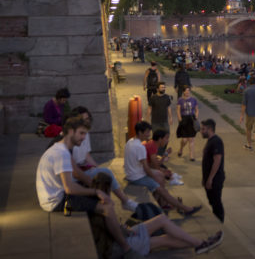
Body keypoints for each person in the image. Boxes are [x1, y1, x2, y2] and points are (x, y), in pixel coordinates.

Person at [36, 117, 132, 253]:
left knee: (102, 184)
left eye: (85, 134)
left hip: (56, 194)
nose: (84, 137)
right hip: (56, 201)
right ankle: (127, 248)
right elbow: (70, 188)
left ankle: (116, 231)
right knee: (107, 207)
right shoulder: (61, 153)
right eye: (81, 133)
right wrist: (96, 192)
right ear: (70, 131)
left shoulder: (61, 148)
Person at [90, 173, 224, 256]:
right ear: (108, 188)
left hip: (119, 238)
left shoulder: (94, 203)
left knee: (161, 219)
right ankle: (202, 244)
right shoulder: (107, 207)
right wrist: (127, 242)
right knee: (165, 238)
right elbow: (114, 232)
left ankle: (201, 244)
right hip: (118, 246)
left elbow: (112, 229)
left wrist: (127, 229)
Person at [69, 106, 138, 211]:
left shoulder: (85, 134)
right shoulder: (71, 137)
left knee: (104, 174)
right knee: (105, 173)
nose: (86, 122)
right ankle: (124, 201)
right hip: (74, 173)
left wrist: (96, 167)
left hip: (84, 167)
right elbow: (73, 169)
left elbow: (87, 155)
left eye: (87, 119)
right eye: (83, 119)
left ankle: (109, 207)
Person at [125, 121, 201, 215]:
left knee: (160, 177)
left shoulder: (130, 141)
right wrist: (155, 176)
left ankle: (163, 204)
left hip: (131, 174)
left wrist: (159, 173)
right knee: (160, 184)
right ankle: (185, 209)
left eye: (149, 131)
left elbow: (148, 165)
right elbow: (147, 167)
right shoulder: (140, 147)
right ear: (140, 132)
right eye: (147, 132)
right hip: (137, 177)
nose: (149, 134)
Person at [201, 119, 225, 223]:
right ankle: (216, 221)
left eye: (203, 129)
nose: (201, 131)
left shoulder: (216, 141)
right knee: (212, 201)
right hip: (209, 178)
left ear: (210, 129)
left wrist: (210, 179)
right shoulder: (211, 141)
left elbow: (217, 160)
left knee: (216, 203)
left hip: (215, 179)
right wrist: (205, 178)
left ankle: (219, 223)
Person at [240, 77, 255, 153]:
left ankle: (249, 145)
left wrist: (242, 115)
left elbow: (244, 104)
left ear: (249, 82)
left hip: (249, 113)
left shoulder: (246, 91)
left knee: (248, 129)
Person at [176, 86, 199, 161]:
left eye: (188, 90)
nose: (187, 92)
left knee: (191, 139)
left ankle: (191, 155)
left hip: (191, 119)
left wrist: (196, 117)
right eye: (186, 91)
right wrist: (180, 119)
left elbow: (196, 110)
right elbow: (178, 110)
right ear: (183, 92)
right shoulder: (180, 100)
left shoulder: (194, 100)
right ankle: (181, 149)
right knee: (184, 140)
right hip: (184, 120)